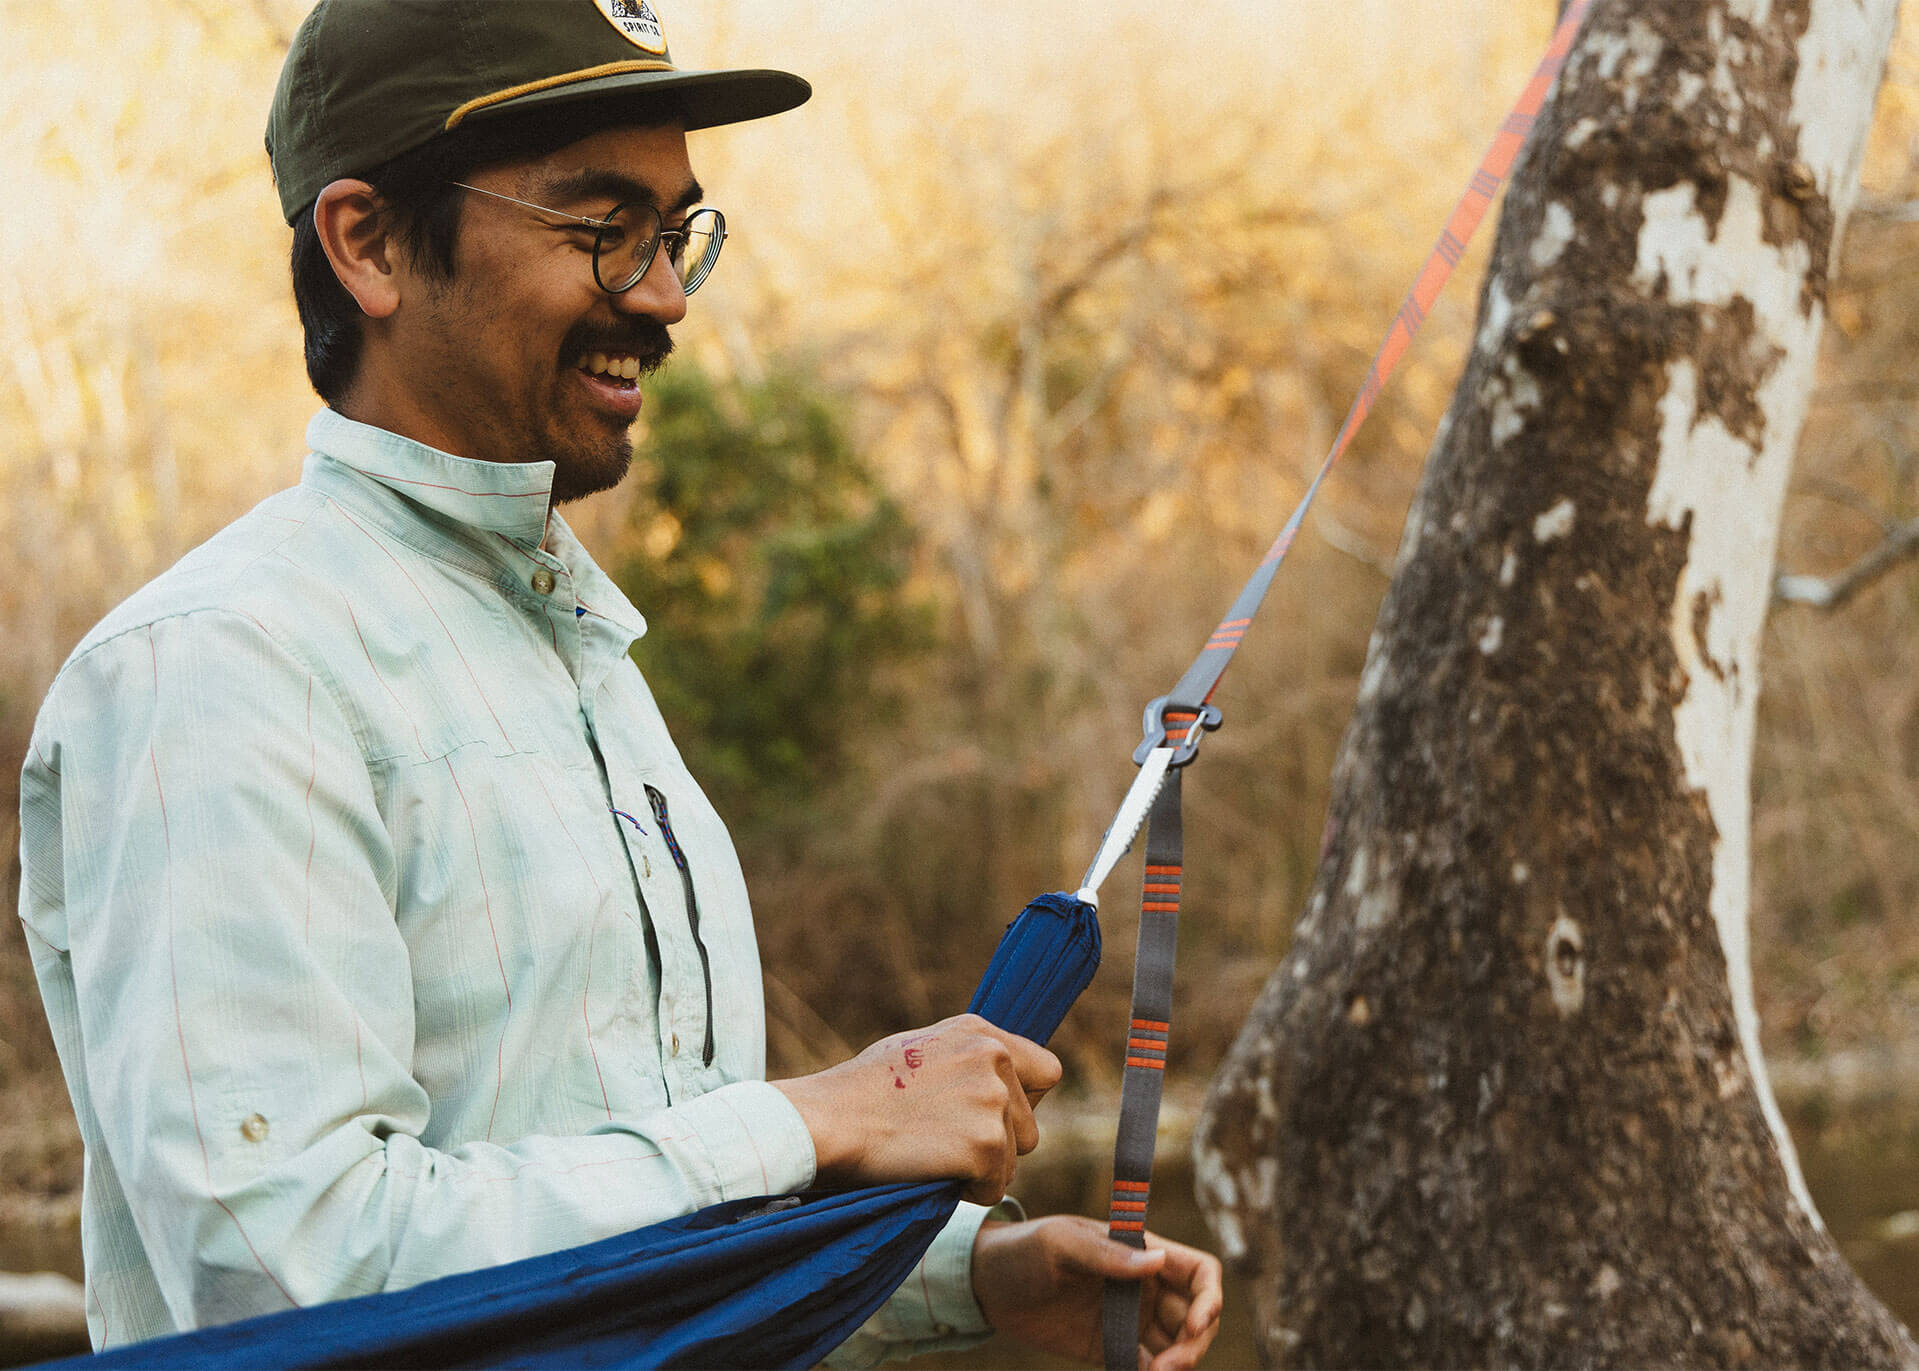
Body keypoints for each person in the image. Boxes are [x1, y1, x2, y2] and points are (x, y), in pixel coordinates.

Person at [14, 2, 1223, 1367]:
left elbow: (625, 1237)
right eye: (601, 230)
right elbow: (292, 1275)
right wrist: (810, 1120)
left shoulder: (588, 660)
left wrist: (972, 1280)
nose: (663, 295)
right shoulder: (217, 673)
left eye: (674, 233)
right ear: (367, 244)